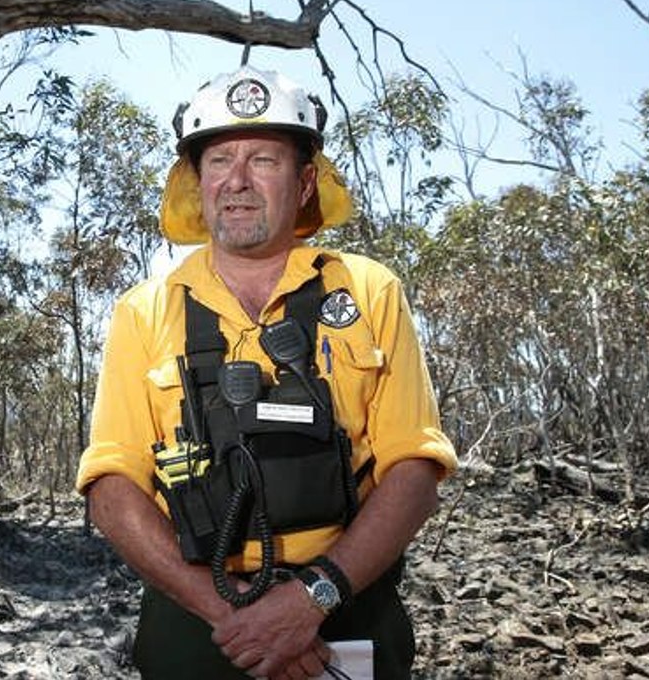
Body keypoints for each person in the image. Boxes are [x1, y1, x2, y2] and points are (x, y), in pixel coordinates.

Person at [75, 65, 458, 679]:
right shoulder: (144, 312)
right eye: (220, 160)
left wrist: (312, 600)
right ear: (197, 182)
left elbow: (414, 466)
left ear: (305, 183)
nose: (239, 181)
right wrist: (240, 620)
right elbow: (112, 488)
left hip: (349, 605)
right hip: (200, 618)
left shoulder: (369, 290)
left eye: (264, 160)